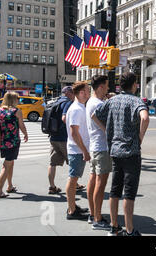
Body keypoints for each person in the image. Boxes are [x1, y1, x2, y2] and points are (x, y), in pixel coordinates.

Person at [92, 72, 150, 236]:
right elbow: (145, 118)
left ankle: (114, 226)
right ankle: (130, 229)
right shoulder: (136, 101)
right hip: (131, 152)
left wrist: (107, 130)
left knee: (115, 190)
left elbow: (94, 115)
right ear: (134, 85)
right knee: (129, 192)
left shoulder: (112, 100)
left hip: (115, 150)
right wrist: (140, 137)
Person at [86, 75, 112, 230]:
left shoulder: (91, 101)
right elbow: (100, 121)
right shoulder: (98, 104)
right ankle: (97, 218)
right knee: (100, 184)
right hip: (102, 147)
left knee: (93, 180)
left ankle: (93, 213)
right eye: (107, 86)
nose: (108, 89)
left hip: (95, 146)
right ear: (101, 87)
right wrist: (108, 131)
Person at [0, 92, 28, 199]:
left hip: (2, 142)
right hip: (13, 141)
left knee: (10, 163)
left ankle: (10, 186)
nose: (18, 100)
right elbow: (21, 125)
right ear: (13, 100)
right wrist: (25, 134)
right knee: (6, 165)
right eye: (17, 98)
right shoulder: (17, 111)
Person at [65, 81, 91, 220]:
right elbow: (74, 132)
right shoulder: (76, 109)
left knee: (74, 179)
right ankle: (71, 211)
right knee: (73, 179)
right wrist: (84, 151)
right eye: (87, 90)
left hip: (77, 149)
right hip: (76, 150)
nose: (89, 93)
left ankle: (72, 206)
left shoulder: (79, 107)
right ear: (81, 93)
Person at [48, 86, 74, 195]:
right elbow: (65, 119)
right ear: (69, 93)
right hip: (64, 138)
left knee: (52, 163)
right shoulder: (67, 103)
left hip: (53, 137)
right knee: (73, 162)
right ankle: (74, 185)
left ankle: (52, 186)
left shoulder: (55, 102)